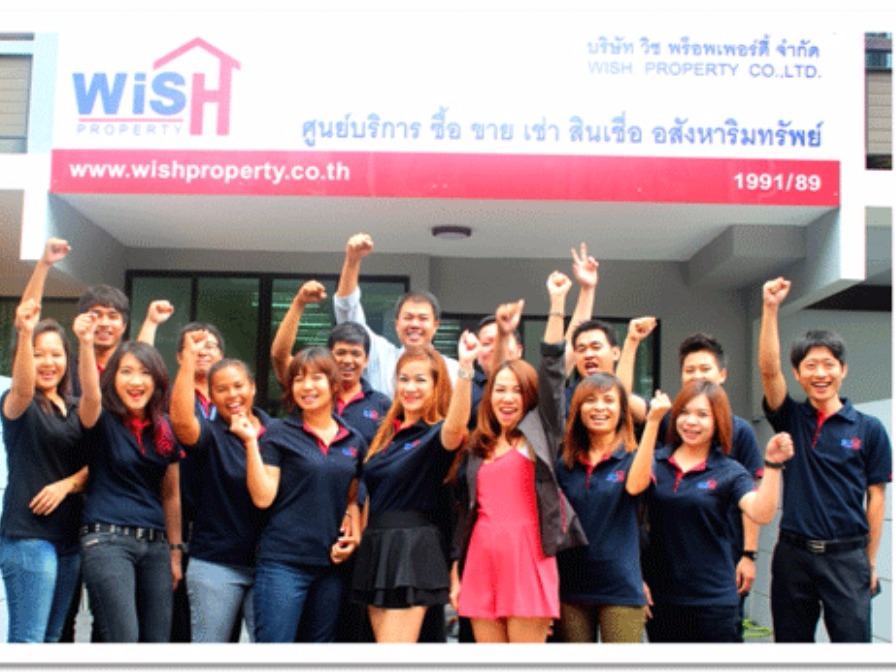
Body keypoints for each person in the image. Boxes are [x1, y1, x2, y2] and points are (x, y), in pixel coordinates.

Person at [450, 273, 588, 644]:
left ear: (529, 397)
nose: (507, 398)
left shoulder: (540, 433)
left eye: (517, 391)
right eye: (500, 390)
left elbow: (553, 369)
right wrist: (457, 569)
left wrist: (557, 303)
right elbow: (468, 513)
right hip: (481, 556)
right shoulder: (479, 445)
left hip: (529, 556)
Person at [759, 276, 891, 642]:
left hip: (847, 558)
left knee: (852, 651)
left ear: (843, 370)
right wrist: (770, 309)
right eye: (810, 365)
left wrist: (870, 561)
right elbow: (769, 370)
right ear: (798, 374)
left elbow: (876, 498)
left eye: (829, 364)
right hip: (793, 556)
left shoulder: (869, 429)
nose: (820, 373)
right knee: (792, 651)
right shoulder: (791, 418)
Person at [619, 321, 763, 639]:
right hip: (667, 569)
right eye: (689, 370)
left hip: (721, 562)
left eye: (705, 369)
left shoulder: (739, 431)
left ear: (722, 374)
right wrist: (631, 343)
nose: (697, 375)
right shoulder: (669, 420)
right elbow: (623, 398)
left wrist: (748, 555)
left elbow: (753, 496)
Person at [642, 380, 793, 642]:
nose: (691, 422)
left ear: (718, 421)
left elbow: (761, 513)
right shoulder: (654, 462)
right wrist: (637, 580)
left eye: (702, 415)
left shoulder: (729, 471)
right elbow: (629, 522)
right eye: (684, 412)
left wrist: (773, 466)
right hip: (661, 598)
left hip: (713, 601)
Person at [235, 347, 364, 643]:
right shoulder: (279, 433)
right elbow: (263, 497)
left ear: (334, 384)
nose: (307, 386)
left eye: (316, 378)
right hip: (283, 563)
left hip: (330, 567)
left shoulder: (353, 439)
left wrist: (355, 535)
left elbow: (352, 498)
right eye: (298, 379)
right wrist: (251, 443)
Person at [0, 238, 89, 643]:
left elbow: (97, 465)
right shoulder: (19, 404)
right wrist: (43, 266)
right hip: (28, 538)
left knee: (52, 642)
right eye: (39, 354)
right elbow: (27, 320)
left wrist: (66, 484)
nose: (48, 362)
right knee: (29, 641)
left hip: (69, 538)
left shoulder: (76, 407)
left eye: (55, 354)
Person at [351, 341, 468, 643]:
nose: (410, 387)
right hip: (376, 548)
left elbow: (456, 427)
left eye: (420, 380)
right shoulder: (387, 434)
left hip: (412, 551)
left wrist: (466, 371)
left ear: (437, 386)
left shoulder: (436, 433)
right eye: (403, 379)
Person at [75, 326, 183, 643]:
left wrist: (175, 552)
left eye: (145, 373)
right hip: (107, 540)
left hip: (156, 546)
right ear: (112, 379)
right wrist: (85, 344)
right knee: (123, 640)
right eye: (126, 372)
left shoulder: (164, 429)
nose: (136, 381)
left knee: (156, 643)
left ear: (157, 381)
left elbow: (171, 495)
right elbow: (90, 394)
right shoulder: (100, 417)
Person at [554, 373, 670, 643]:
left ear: (621, 410)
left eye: (609, 400)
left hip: (620, 587)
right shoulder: (565, 462)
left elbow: (636, 486)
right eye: (590, 400)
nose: (599, 407)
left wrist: (653, 422)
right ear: (578, 408)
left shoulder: (634, 457)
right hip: (571, 587)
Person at [170, 331, 268, 642]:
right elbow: (181, 422)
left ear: (253, 387)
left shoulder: (277, 433)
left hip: (270, 564)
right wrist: (189, 359)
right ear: (210, 397)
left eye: (239, 386)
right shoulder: (210, 434)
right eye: (222, 390)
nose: (232, 395)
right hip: (216, 562)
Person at [333, 232, 460, 396]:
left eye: (423, 318)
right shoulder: (380, 356)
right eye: (408, 317)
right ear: (396, 323)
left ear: (436, 325)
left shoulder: (453, 370)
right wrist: (352, 261)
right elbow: (347, 311)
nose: (415, 324)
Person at [271, 280, 390, 447]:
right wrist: (299, 302)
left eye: (355, 354)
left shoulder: (382, 404)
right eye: (340, 353)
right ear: (329, 356)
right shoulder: (312, 391)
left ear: (366, 360)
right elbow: (279, 356)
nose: (347, 360)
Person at [169, 321, 226, 643]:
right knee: (177, 622)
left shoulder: (231, 403)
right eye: (194, 346)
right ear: (180, 357)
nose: (203, 351)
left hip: (219, 524)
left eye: (211, 346)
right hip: (177, 518)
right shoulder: (168, 398)